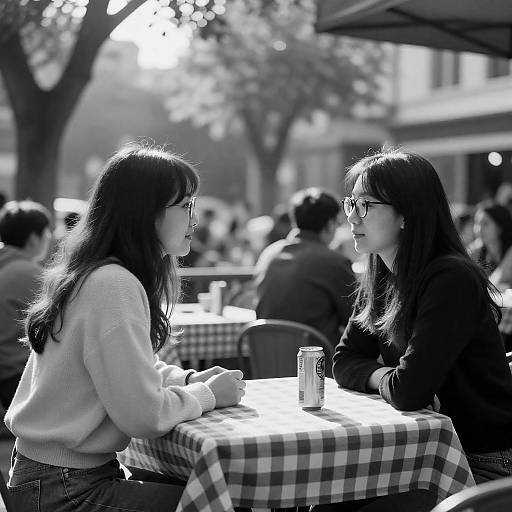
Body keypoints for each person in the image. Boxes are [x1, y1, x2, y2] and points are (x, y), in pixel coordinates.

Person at [4, 144, 246, 512]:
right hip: (64, 489)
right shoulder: (113, 284)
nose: (195, 220)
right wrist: (207, 395)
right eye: (186, 206)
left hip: (54, 478)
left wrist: (187, 380)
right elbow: (143, 416)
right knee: (227, 503)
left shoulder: (101, 274)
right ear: (145, 213)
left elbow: (126, 371)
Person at [314, 151, 512, 512]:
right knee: (323, 502)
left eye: (366, 205)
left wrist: (397, 381)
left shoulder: (450, 279)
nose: (353, 217)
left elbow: (409, 392)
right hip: (417, 452)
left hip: (480, 461)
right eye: (350, 204)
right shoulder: (382, 274)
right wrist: (386, 376)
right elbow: (343, 360)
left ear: (407, 213)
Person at [254, 187, 355, 350]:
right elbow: (356, 319)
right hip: (316, 364)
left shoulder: (269, 253)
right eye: (338, 223)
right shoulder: (334, 261)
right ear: (330, 224)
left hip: (266, 360)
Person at [0, 200, 52, 411]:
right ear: (33, 238)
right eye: (47, 232)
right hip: (17, 371)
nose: (50, 237)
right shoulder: (29, 274)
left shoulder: (6, 264)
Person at [469, 201, 512, 289]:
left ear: (500, 227)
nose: (478, 229)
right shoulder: (475, 250)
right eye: (477, 223)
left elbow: (494, 284)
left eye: (485, 224)